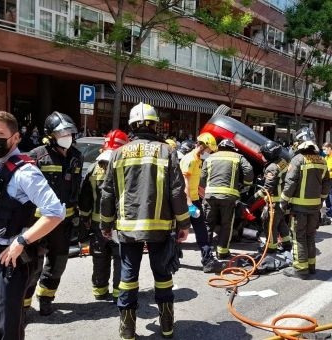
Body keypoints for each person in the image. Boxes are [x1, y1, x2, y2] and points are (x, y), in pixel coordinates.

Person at [0, 111, 64, 340]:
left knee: (8, 331)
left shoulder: (25, 171)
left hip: (7, 263)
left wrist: (22, 241)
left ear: (16, 137)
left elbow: (55, 212)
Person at [100, 102, 190, 340]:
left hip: (128, 229)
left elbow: (107, 192)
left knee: (128, 278)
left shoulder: (118, 153)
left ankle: (127, 330)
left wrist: (106, 224)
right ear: (154, 125)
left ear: (131, 125)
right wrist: (183, 224)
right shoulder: (166, 151)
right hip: (161, 228)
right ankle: (167, 327)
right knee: (162, 276)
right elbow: (177, 192)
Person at [23, 111, 83, 315]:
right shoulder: (36, 156)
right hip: (38, 221)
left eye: (70, 133)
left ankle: (47, 298)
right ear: (50, 135)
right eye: (62, 133)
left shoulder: (77, 156)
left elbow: (78, 188)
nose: (68, 137)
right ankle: (23, 305)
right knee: (33, 264)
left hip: (64, 223)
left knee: (58, 263)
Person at [79, 129, 128, 301]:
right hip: (119, 225)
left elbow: (84, 198)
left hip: (97, 224)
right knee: (120, 259)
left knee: (100, 257)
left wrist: (85, 218)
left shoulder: (93, 168)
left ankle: (99, 291)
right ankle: (118, 293)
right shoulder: (126, 169)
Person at [280, 127, 330, 278]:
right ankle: (311, 266)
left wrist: (283, 201)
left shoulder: (298, 159)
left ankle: (300, 269)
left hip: (299, 208)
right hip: (315, 207)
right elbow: (327, 184)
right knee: (310, 236)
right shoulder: (322, 160)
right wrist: (321, 199)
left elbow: (290, 183)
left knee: (299, 237)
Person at [200, 138, 253, 260]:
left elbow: (202, 178)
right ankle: (222, 252)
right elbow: (249, 170)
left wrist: (207, 188)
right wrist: (246, 183)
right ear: (232, 148)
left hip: (210, 196)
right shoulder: (238, 156)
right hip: (228, 197)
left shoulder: (210, 158)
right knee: (226, 224)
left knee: (208, 224)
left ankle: (206, 252)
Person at [180, 132, 219, 272]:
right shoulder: (189, 160)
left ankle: (207, 259)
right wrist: (190, 204)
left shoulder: (198, 160)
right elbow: (184, 184)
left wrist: (204, 196)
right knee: (178, 230)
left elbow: (194, 184)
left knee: (201, 229)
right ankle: (172, 256)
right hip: (185, 201)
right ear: (202, 146)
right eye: (208, 150)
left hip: (194, 199)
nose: (209, 153)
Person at [252, 141, 291, 252]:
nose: (262, 156)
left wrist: (253, 198)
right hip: (283, 200)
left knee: (270, 224)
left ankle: (271, 247)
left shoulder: (272, 168)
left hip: (275, 201)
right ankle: (286, 243)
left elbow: (267, 188)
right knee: (280, 222)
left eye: (264, 154)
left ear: (270, 154)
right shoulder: (282, 162)